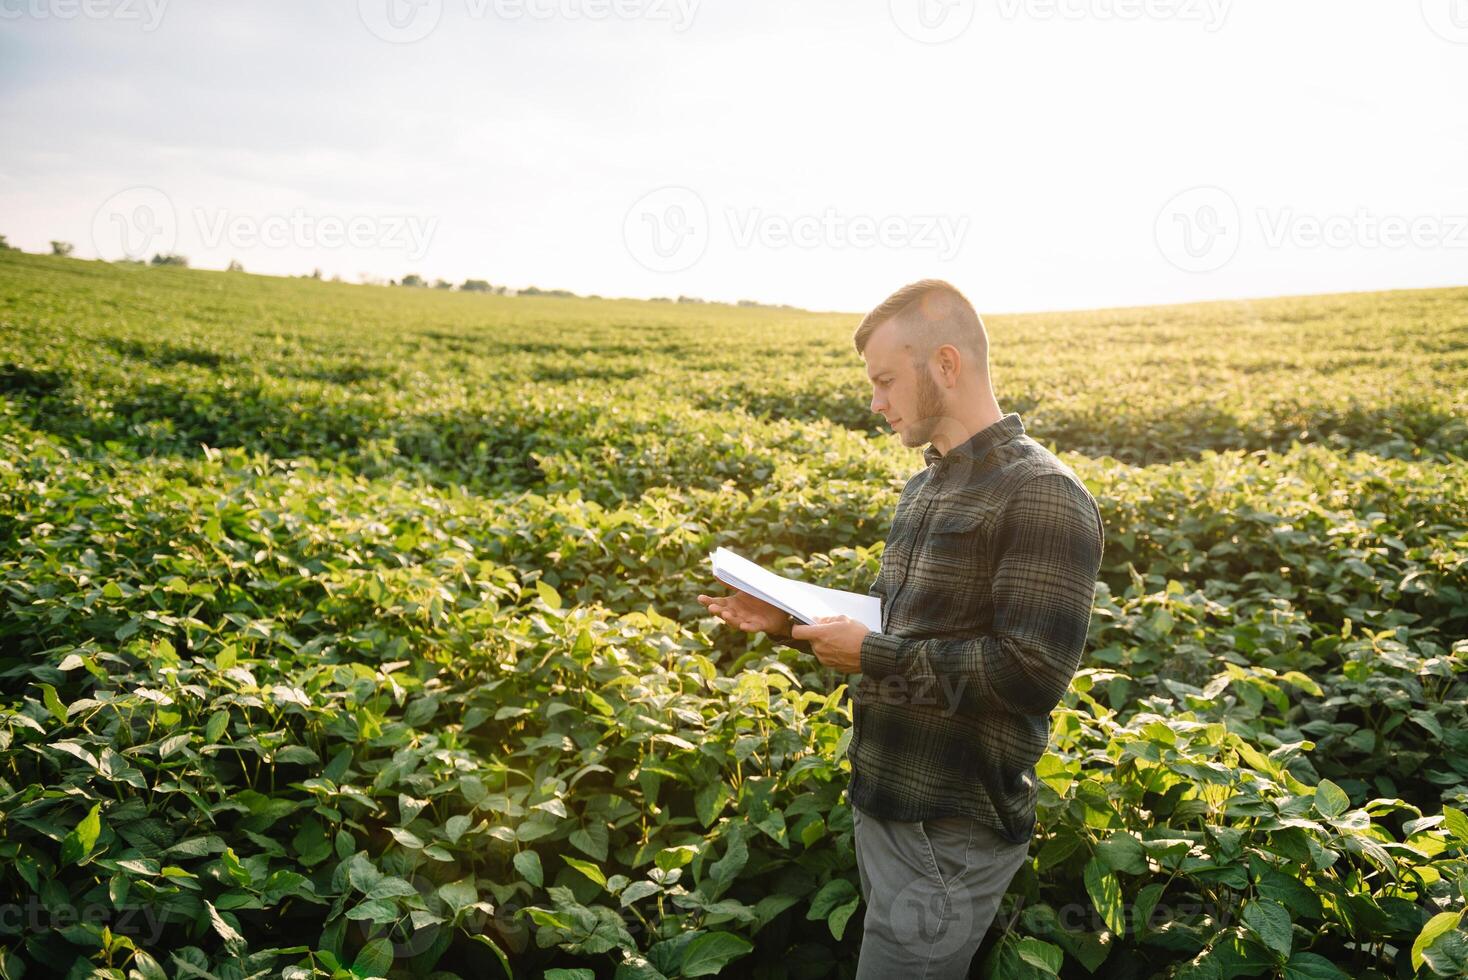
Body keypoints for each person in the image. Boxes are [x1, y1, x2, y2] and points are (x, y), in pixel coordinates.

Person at [698, 279, 1105, 978]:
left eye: (885, 381)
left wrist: (876, 656)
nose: (875, 402)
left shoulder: (1040, 493)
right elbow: (899, 625)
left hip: (949, 826)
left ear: (946, 364)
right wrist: (786, 618)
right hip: (889, 801)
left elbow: (1032, 672)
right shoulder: (928, 484)